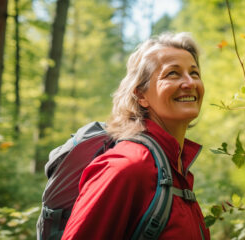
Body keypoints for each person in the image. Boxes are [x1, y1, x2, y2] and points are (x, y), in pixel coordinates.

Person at [61, 32, 210, 240]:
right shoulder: (128, 167)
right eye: (173, 74)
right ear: (141, 95)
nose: (189, 83)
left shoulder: (175, 166)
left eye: (194, 73)